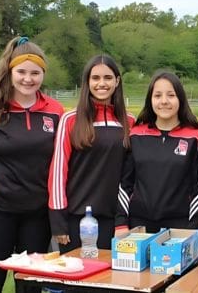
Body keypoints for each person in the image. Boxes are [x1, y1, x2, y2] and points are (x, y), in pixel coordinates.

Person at [0, 36, 64, 292]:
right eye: (21, 72)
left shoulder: (56, 111)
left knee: (30, 285)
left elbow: (62, 160)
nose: (28, 79)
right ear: (9, 72)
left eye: (35, 72)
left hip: (37, 213)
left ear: (43, 74)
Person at [48, 54, 134, 253]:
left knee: (110, 281)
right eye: (95, 78)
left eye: (108, 78)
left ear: (117, 81)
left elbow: (130, 176)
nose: (101, 83)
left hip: (115, 221)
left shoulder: (129, 121)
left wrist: (124, 218)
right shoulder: (70, 119)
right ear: (87, 81)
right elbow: (58, 172)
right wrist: (59, 220)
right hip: (76, 220)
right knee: (75, 279)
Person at [114, 71, 198, 236]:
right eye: (157, 95)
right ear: (150, 100)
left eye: (171, 95)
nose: (164, 101)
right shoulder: (136, 135)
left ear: (180, 99)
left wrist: (192, 228)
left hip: (180, 227)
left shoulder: (195, 137)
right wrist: (121, 223)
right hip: (138, 226)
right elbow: (125, 184)